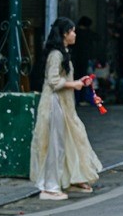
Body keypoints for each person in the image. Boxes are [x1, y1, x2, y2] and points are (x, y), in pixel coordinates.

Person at [29, 18, 102, 200]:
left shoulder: (63, 52)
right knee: (55, 144)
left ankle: (71, 179)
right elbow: (53, 81)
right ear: (64, 33)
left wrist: (78, 82)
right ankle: (49, 187)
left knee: (68, 139)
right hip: (54, 103)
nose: (75, 34)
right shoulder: (56, 54)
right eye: (72, 31)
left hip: (63, 103)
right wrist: (74, 84)